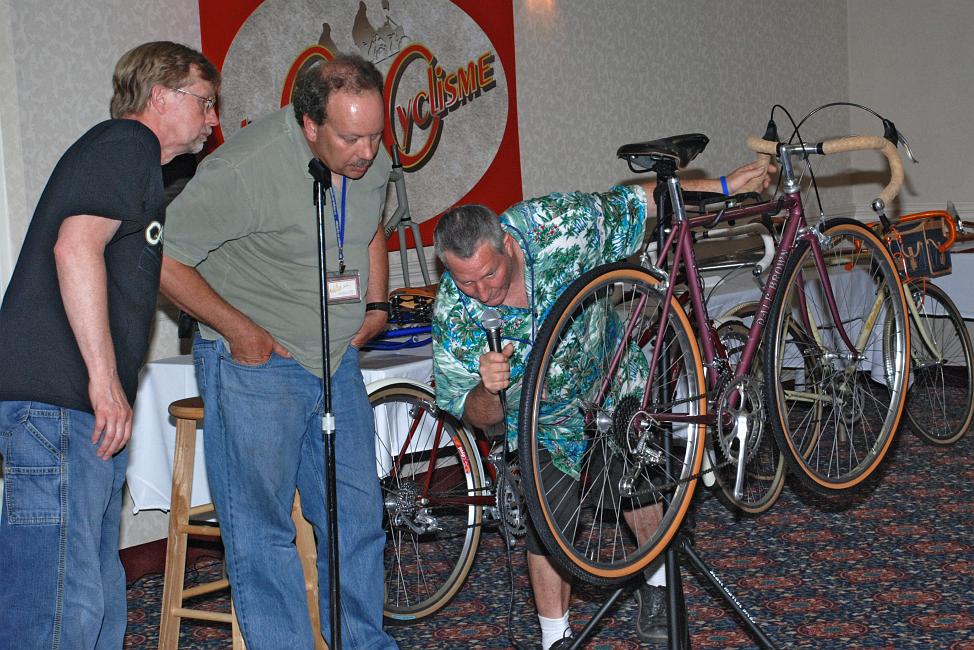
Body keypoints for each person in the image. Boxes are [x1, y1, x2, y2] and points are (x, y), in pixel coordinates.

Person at [431, 163, 771, 649]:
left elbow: (640, 200)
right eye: (467, 284)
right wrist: (489, 390)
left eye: (490, 274)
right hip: (542, 421)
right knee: (545, 522)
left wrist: (720, 187)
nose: (484, 293)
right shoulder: (452, 314)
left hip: (609, 378)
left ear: (507, 242)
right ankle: (555, 638)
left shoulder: (558, 226)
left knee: (636, 486)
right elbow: (474, 415)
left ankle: (656, 586)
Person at [159, 54, 397, 649]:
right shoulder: (244, 168)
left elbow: (370, 224)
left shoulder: (372, 155)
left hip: (334, 360)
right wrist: (241, 332)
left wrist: (376, 303)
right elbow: (162, 259)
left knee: (356, 521)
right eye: (351, 138)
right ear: (310, 125)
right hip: (257, 369)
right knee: (263, 533)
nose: (367, 152)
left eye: (375, 134)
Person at [0, 41, 219, 649]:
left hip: (71, 410)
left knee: (91, 591)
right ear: (160, 96)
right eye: (203, 102)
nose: (211, 119)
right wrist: (103, 379)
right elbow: (75, 249)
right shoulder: (126, 145)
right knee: (56, 603)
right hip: (61, 406)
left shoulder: (133, 158)